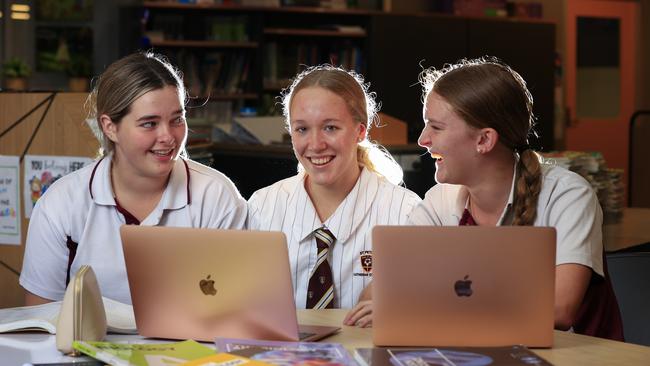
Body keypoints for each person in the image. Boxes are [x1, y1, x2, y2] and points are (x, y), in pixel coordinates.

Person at [407, 57, 623, 340]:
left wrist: (427, 304)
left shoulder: (567, 195)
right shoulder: (439, 202)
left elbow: (559, 309)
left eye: (436, 127)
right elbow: (396, 284)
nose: (423, 139)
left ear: (484, 140)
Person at [20, 52, 247, 305]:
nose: (168, 137)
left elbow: (232, 306)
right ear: (110, 127)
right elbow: (39, 317)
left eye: (177, 119)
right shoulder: (61, 202)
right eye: (149, 124)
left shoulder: (216, 195)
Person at [247, 65, 421, 327]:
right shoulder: (263, 207)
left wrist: (401, 312)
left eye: (330, 128)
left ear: (360, 131)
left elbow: (427, 313)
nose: (315, 145)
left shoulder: (405, 213)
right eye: (302, 129)